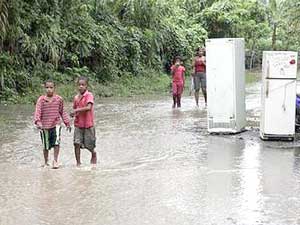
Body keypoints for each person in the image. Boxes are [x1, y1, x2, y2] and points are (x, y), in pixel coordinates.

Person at [34, 80, 71, 169]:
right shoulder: (41, 100)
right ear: (44, 88)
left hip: (56, 124)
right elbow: (37, 112)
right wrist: (38, 122)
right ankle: (46, 161)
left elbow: (62, 112)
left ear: (54, 88)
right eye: (47, 87)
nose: (49, 89)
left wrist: (67, 123)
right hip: (44, 126)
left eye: (51, 87)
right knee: (45, 145)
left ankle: (55, 160)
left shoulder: (59, 99)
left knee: (56, 142)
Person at [70, 76, 97, 167]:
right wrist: (73, 114)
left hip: (88, 124)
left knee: (89, 145)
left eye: (83, 85)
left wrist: (76, 111)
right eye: (79, 85)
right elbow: (74, 109)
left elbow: (89, 108)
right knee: (76, 143)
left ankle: (93, 153)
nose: (81, 86)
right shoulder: (76, 97)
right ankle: (78, 163)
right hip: (78, 124)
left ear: (86, 86)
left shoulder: (89, 95)